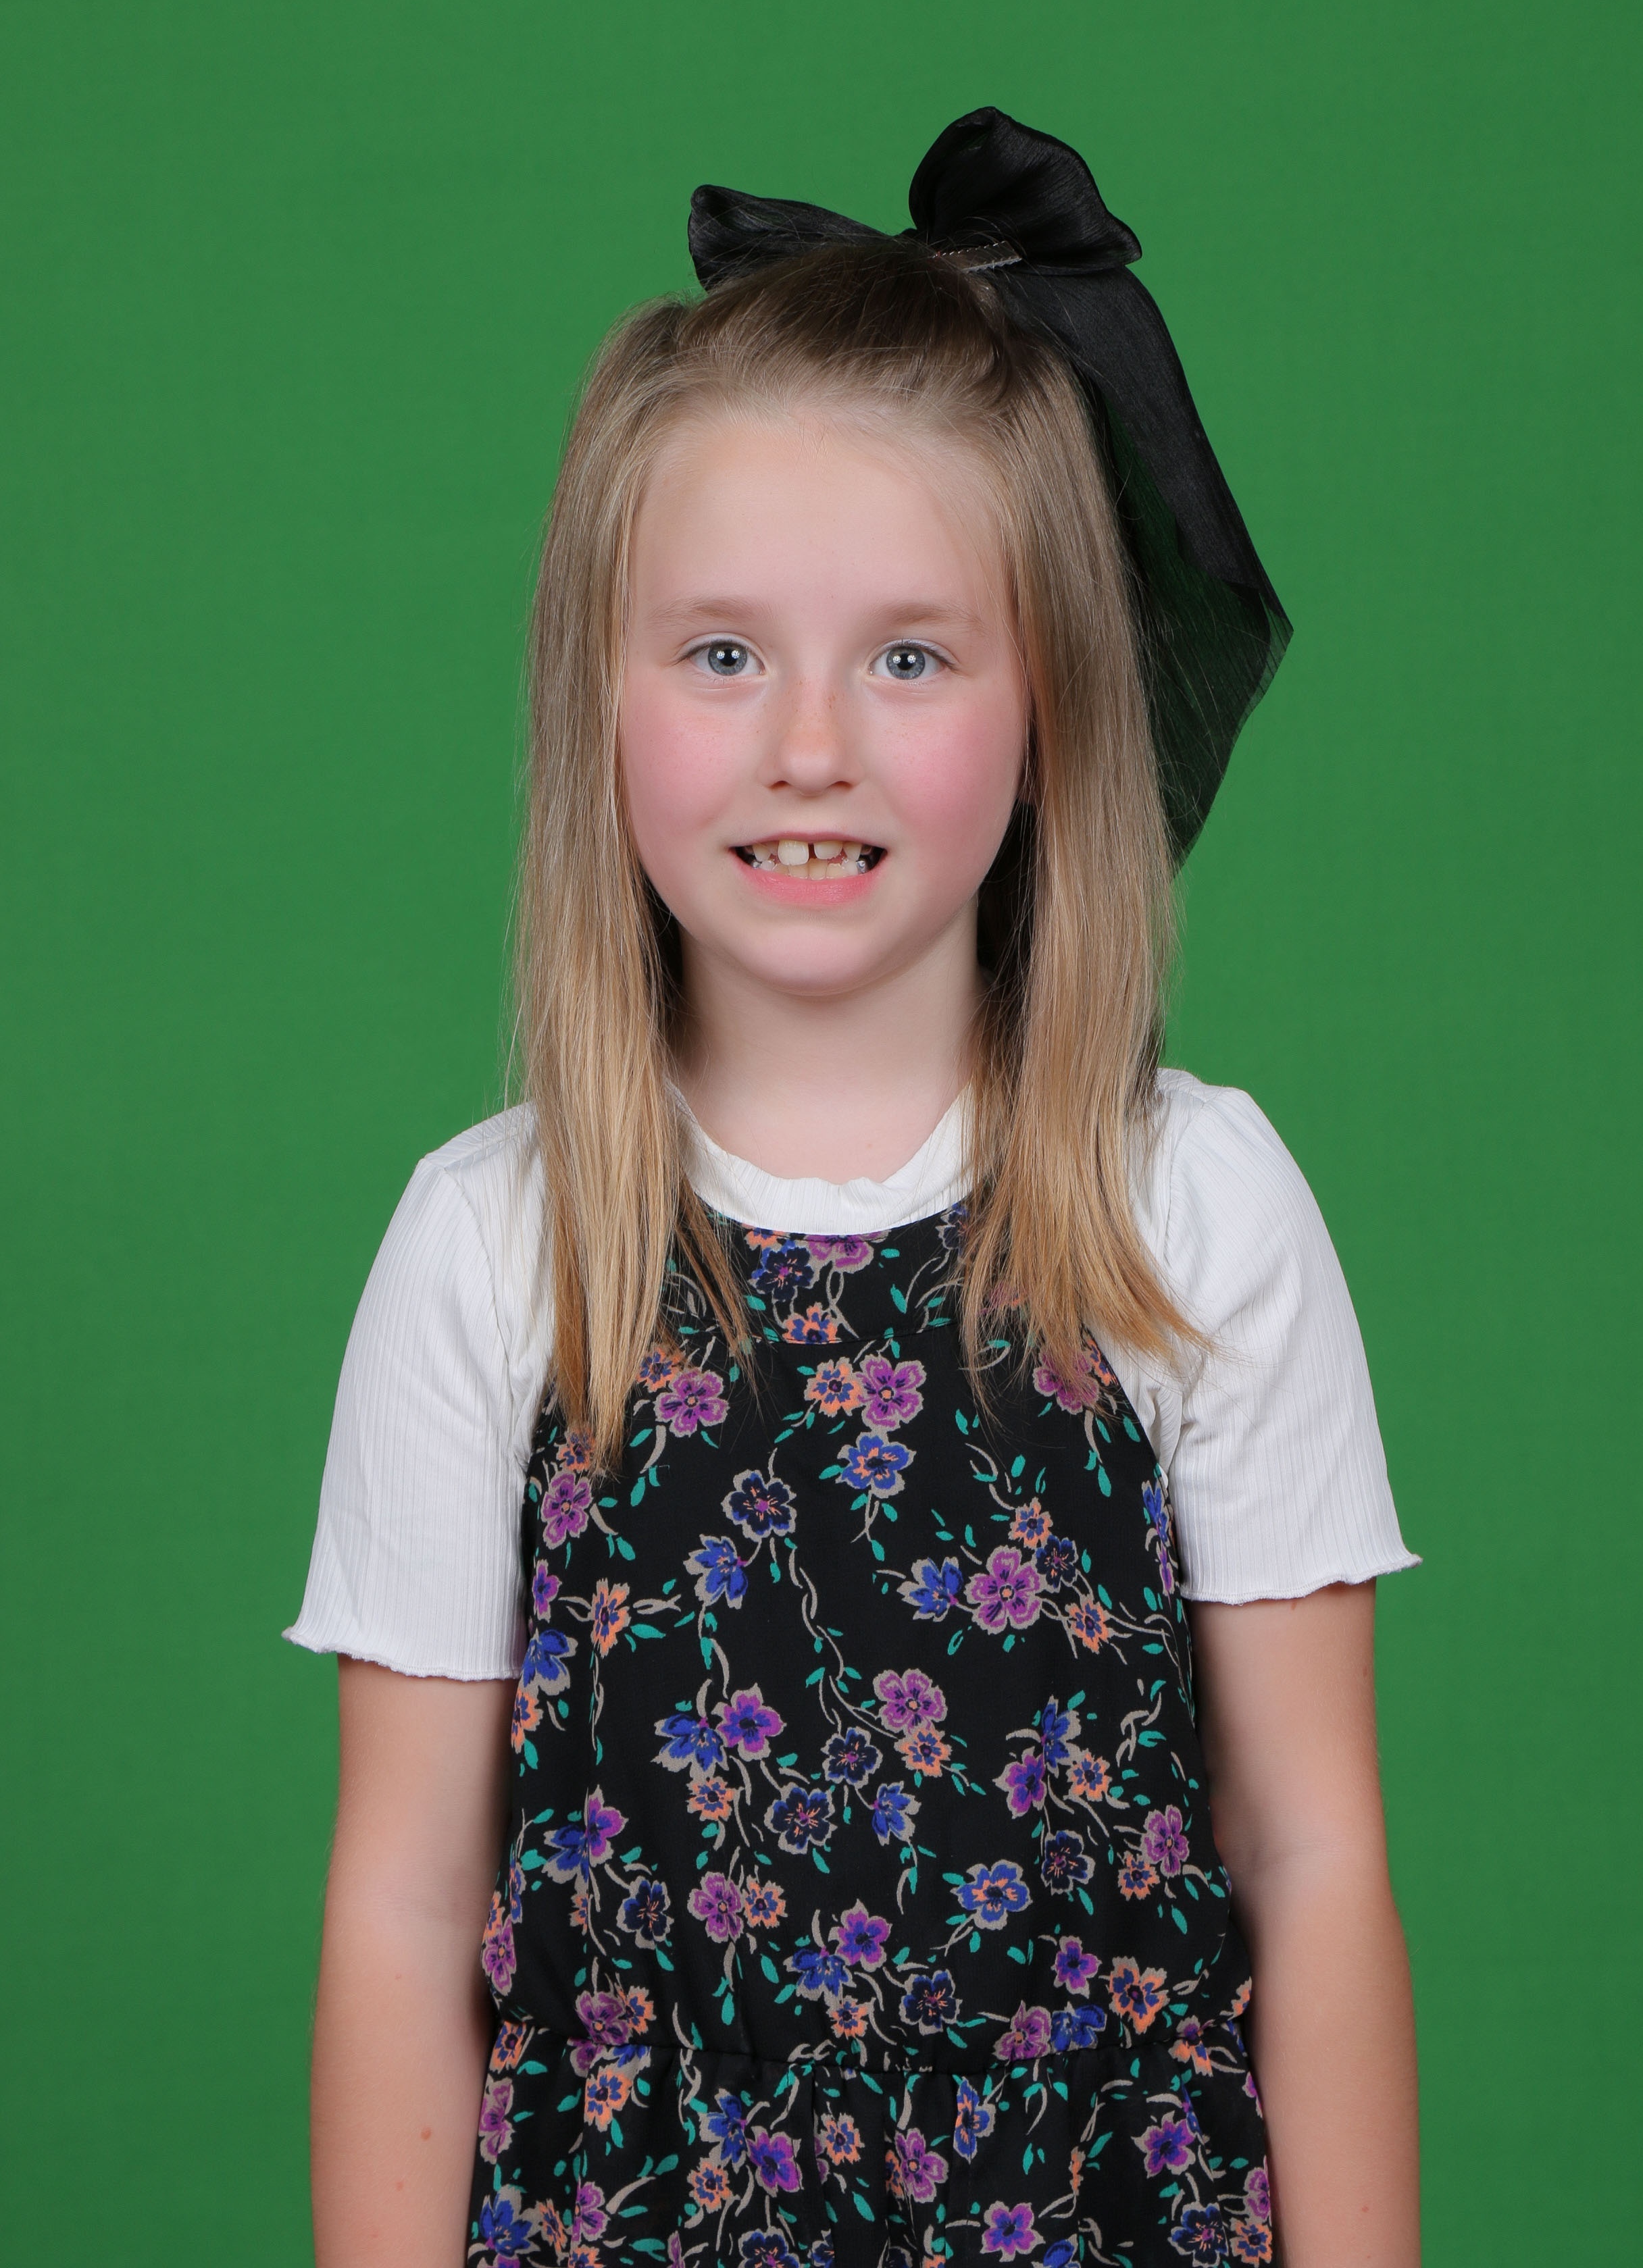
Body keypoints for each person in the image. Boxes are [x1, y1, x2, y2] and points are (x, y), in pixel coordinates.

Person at [291, 109, 1421, 2268]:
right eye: (723, 654)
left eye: (909, 656)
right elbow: (405, 1908)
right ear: (601, 699)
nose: (810, 743)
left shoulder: (1191, 1206)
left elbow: (1314, 1863)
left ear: (1050, 704)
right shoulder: (495, 1245)